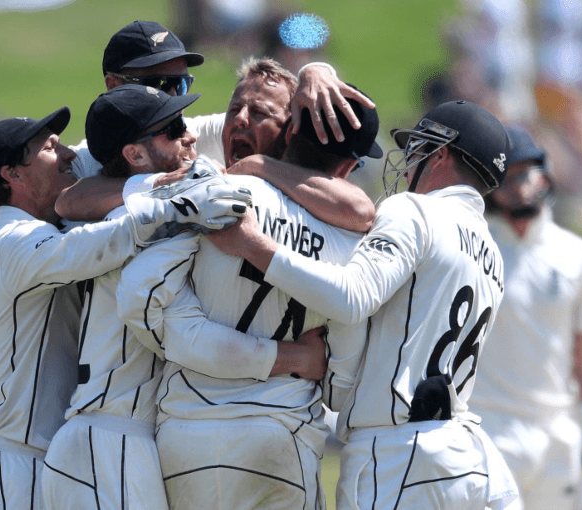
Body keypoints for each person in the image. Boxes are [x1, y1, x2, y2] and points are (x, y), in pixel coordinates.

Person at [210, 99, 521, 509]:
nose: (407, 168)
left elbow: (351, 298)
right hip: (467, 459)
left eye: (419, 149)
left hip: (399, 455)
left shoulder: (415, 210)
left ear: (442, 154)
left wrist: (254, 247)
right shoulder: (492, 253)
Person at [0, 105, 250, 510]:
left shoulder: (21, 235)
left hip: (28, 459)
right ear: (13, 175)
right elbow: (91, 248)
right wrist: (178, 206)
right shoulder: (15, 239)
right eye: (50, 149)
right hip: (17, 466)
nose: (69, 156)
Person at [114, 74, 383, 509]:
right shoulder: (355, 239)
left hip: (187, 435)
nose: (241, 119)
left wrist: (183, 340)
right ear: (349, 168)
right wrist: (297, 359)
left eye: (258, 112)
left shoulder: (218, 194)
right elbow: (342, 376)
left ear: (290, 130)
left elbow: (139, 296)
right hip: (283, 435)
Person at [41, 84, 264, 510]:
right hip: (110, 438)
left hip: (107, 438)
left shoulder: (139, 205)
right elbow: (171, 326)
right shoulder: (144, 216)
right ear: (135, 155)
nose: (190, 136)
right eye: (174, 129)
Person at [61, 20, 379, 226]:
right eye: (158, 84)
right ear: (114, 86)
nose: (172, 96)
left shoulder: (194, 133)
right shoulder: (86, 157)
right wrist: (171, 182)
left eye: (181, 84)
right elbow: (68, 201)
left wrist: (314, 69)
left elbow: (359, 210)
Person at [471, 125, 582, 510]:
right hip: (486, 430)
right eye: (507, 177)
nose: (519, 187)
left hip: (558, 436)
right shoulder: (471, 250)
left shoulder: (579, 258)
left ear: (544, 175)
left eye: (525, 174)